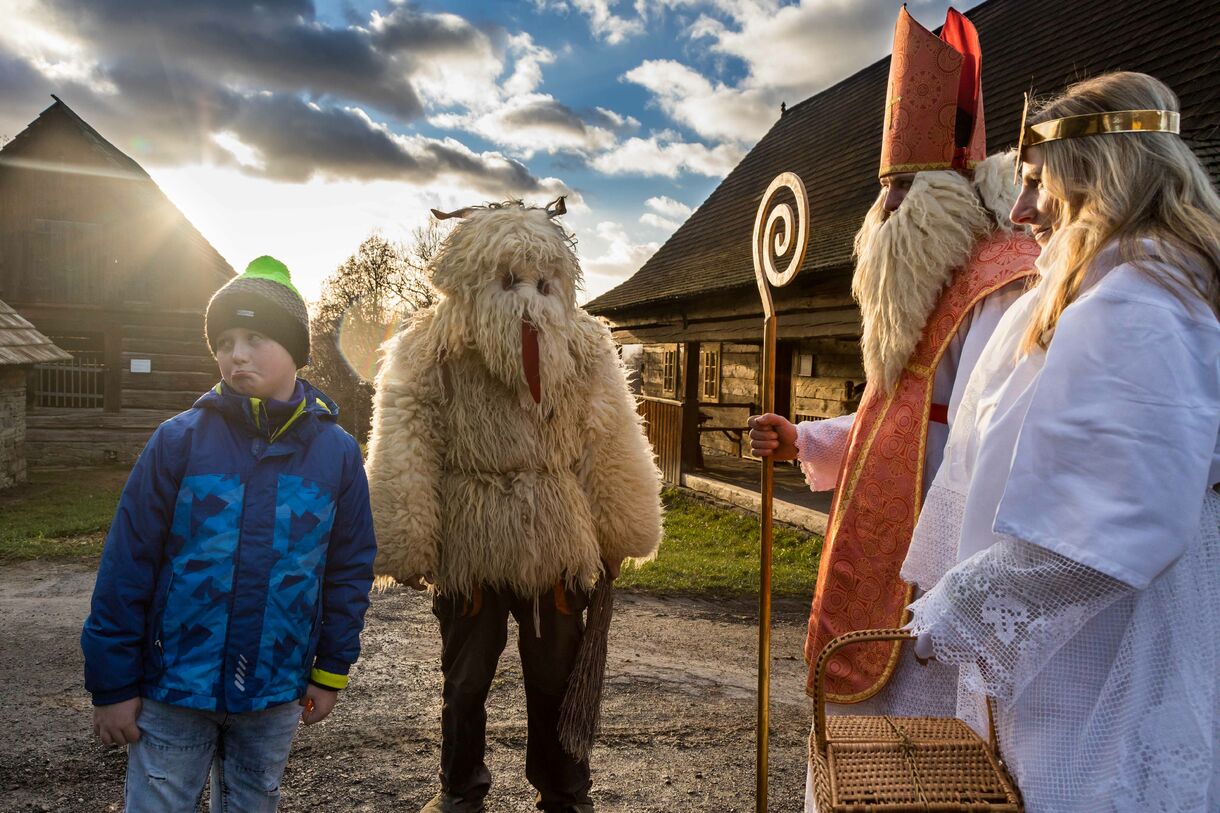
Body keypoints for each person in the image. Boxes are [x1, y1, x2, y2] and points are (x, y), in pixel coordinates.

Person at [902, 71, 1220, 811]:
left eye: (1036, 182)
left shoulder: (1140, 302)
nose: (1018, 211)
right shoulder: (1110, 288)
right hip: (1070, 648)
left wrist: (962, 605)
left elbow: (1115, 520)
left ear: (1098, 176)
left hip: (1103, 660)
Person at [749, 5, 1038, 727]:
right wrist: (805, 439)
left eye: (899, 194)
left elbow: (983, 439)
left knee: (928, 742)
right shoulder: (922, 290)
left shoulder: (1000, 285)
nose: (881, 217)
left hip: (948, 556)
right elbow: (896, 417)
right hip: (890, 549)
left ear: (944, 197)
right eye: (885, 196)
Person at [365, 200, 662, 813]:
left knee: (557, 677)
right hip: (469, 533)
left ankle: (563, 792)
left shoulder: (584, 345)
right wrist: (407, 538)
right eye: (509, 281)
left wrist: (618, 529)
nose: (530, 300)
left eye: (544, 283)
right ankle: (461, 789)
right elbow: (406, 437)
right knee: (466, 677)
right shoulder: (430, 345)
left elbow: (607, 436)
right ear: (472, 279)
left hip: (555, 532)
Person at [81, 256, 377, 813]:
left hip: (274, 690)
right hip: (172, 688)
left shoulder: (337, 454)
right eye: (224, 341)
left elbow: (348, 569)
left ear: (296, 349)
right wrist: (113, 686)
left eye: (255, 337)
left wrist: (330, 671)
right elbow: (126, 566)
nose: (235, 354)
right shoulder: (178, 442)